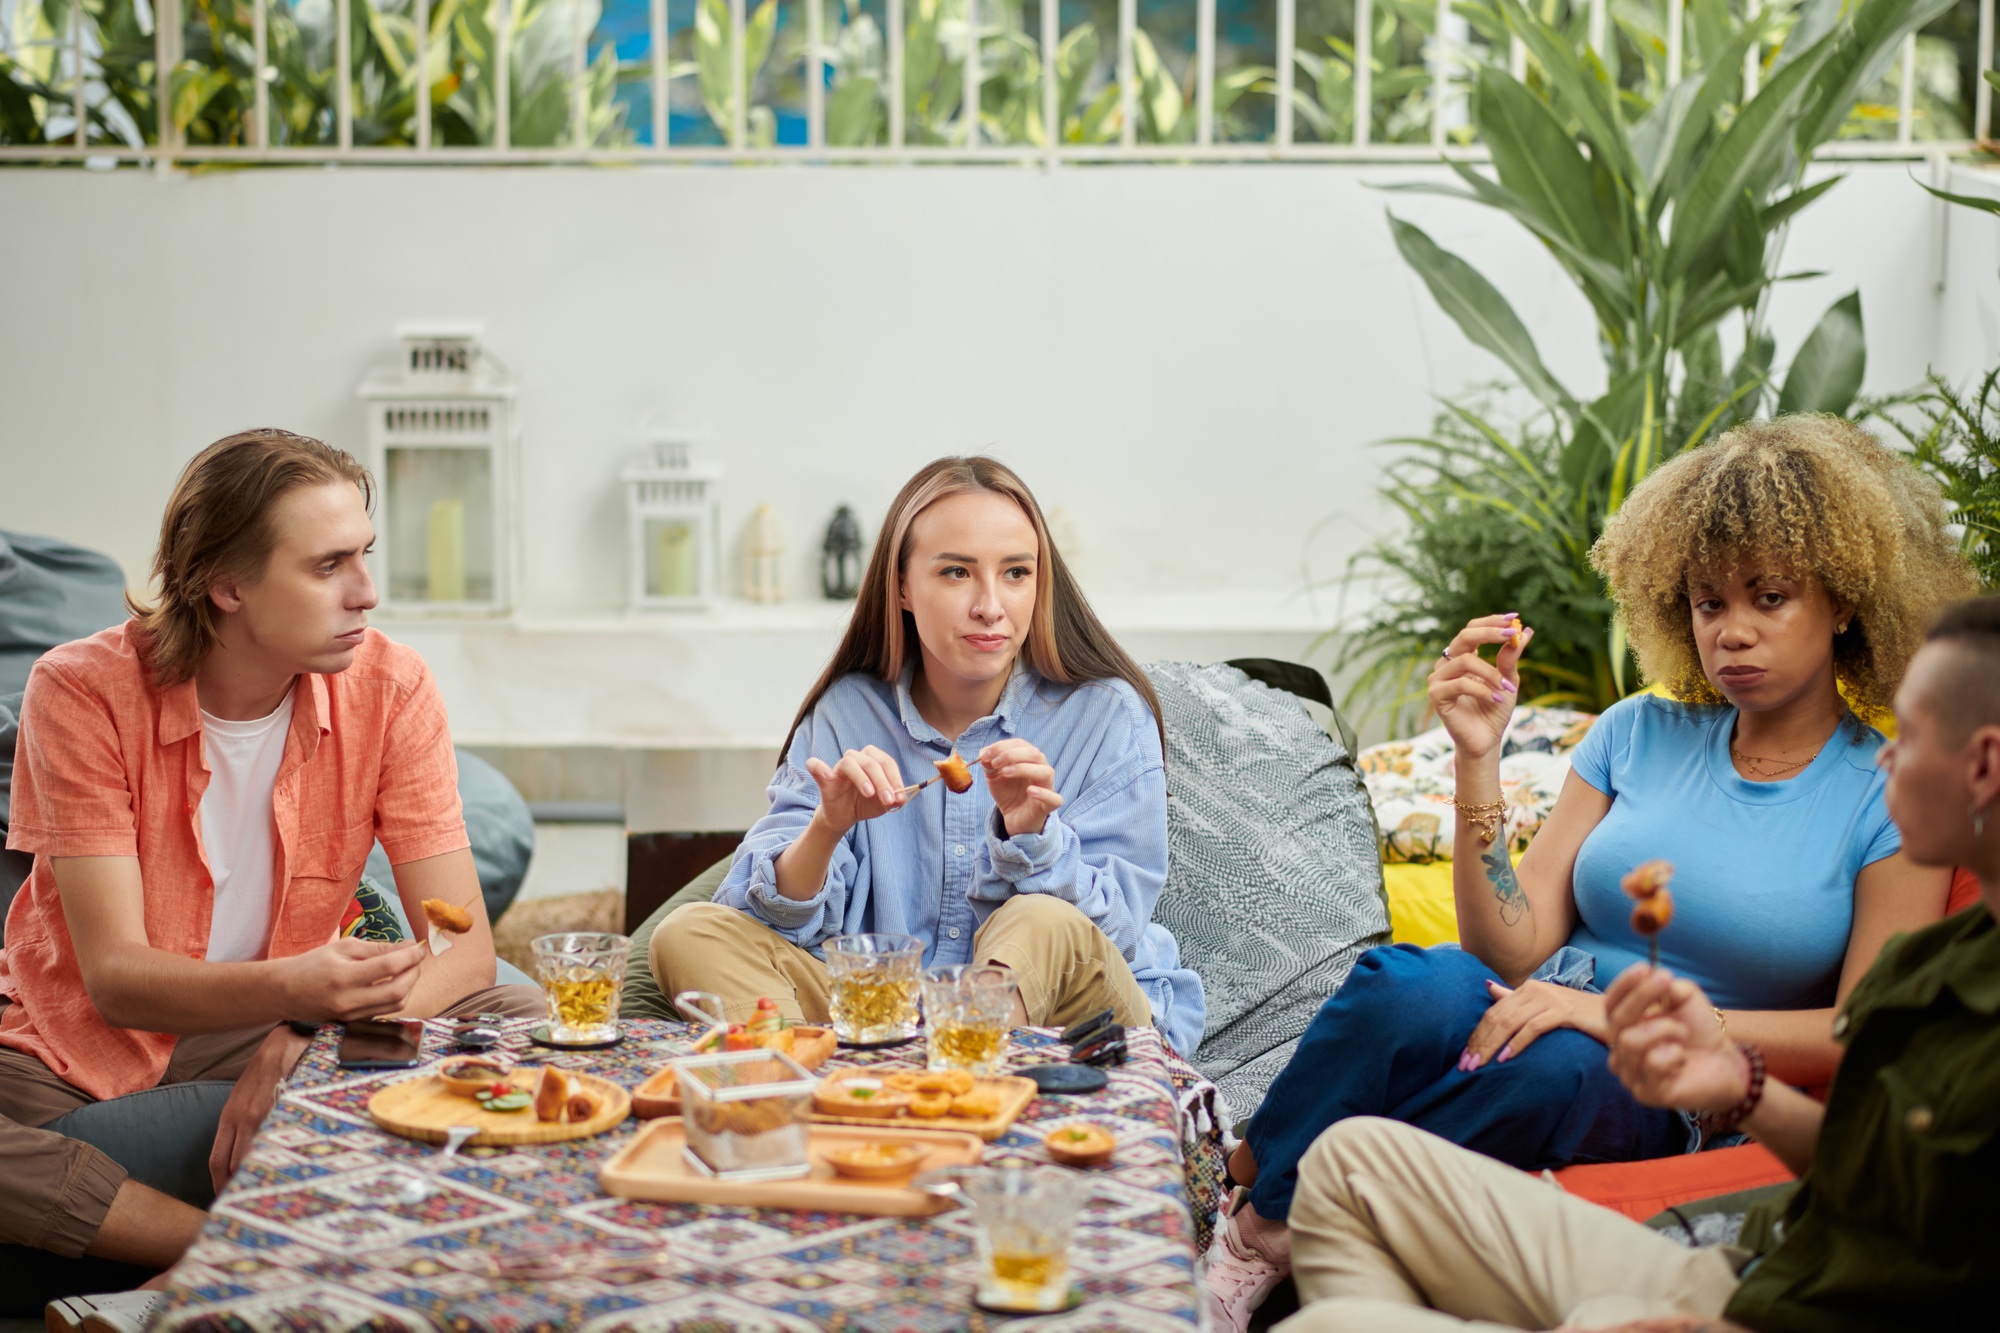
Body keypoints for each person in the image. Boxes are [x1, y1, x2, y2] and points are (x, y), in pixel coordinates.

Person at [1205, 416, 1977, 1328]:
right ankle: (1253, 1193)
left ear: (1842, 599)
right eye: (1707, 601)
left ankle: (1262, 1224)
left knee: (1548, 1075)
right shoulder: (1634, 732)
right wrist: (1477, 758)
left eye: (1769, 597)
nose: (1731, 632)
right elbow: (1512, 941)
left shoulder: (1891, 789)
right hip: (1537, 995)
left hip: (1662, 1069)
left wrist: (1607, 1014)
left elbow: (1858, 1033)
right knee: (1405, 984)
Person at [3, 430, 542, 1332]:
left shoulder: (394, 688)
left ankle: (168, 1267)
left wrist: (305, 1029)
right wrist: (299, 995)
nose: (367, 592)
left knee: (532, 1019)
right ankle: (232, 1251)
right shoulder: (81, 691)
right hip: (78, 1046)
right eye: (329, 564)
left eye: (364, 555)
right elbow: (118, 978)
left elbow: (466, 948)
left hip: (276, 1014)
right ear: (229, 583)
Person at [650, 455, 1204, 1056]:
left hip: (1074, 1021)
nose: (990, 605)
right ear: (903, 587)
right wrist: (828, 828)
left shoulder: (1106, 716)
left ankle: (943, 1091)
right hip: (879, 1018)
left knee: (1039, 920)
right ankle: (807, 1094)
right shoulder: (847, 712)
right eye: (956, 573)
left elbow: (1117, 928)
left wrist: (1034, 837)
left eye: (1016, 572)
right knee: (687, 933)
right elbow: (765, 916)